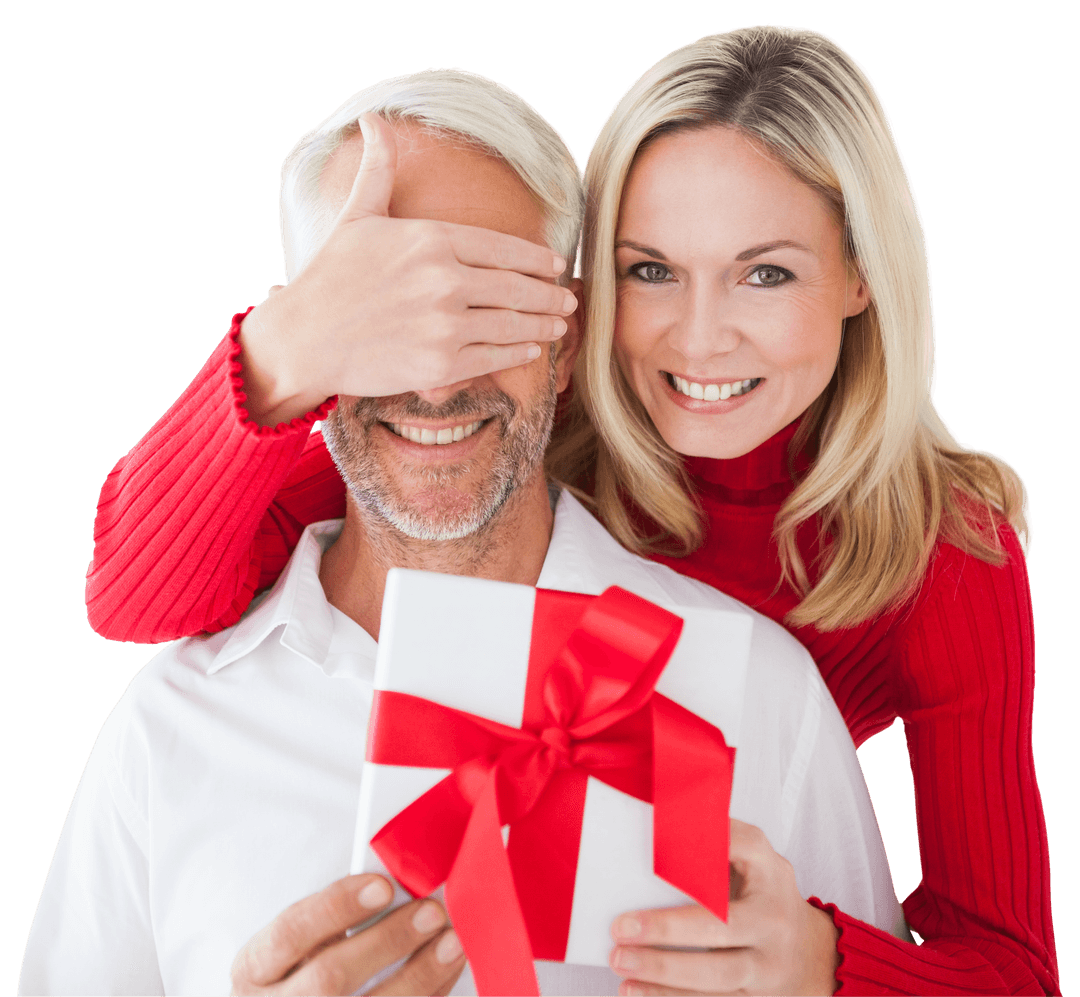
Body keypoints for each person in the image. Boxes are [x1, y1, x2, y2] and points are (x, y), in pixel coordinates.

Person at [80, 25, 1056, 996]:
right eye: (651, 269)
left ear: (861, 275)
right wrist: (290, 346)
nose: (701, 340)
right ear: (594, 300)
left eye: (767, 271)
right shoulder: (473, 431)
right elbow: (132, 595)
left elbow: (1011, 963)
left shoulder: (934, 558)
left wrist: (822, 964)